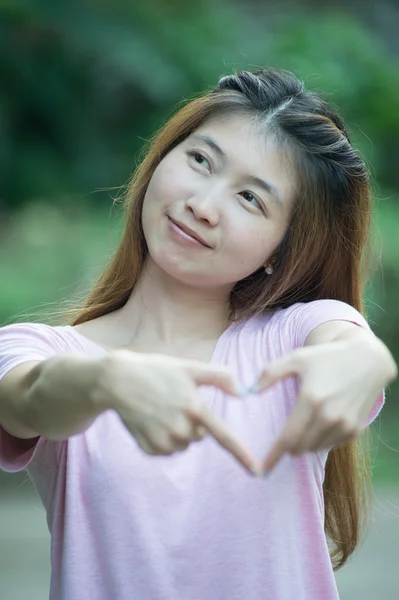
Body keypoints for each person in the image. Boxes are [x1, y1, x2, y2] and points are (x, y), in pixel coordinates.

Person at [0, 68, 396, 600]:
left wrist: (361, 363)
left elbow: (350, 347)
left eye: (251, 199)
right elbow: (29, 396)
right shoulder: (35, 349)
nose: (202, 206)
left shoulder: (292, 337)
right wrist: (107, 382)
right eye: (200, 160)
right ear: (161, 158)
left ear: (282, 250)